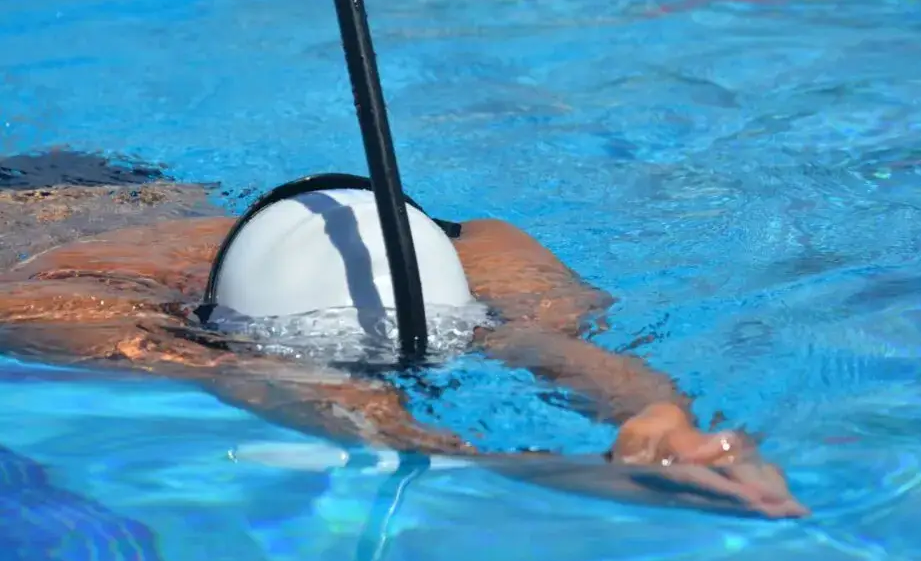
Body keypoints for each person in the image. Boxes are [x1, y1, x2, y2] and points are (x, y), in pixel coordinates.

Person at [0, 160, 808, 519]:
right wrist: (494, 465)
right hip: (41, 192)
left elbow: (554, 346)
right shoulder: (56, 304)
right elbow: (263, 381)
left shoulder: (493, 256)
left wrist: (664, 422)